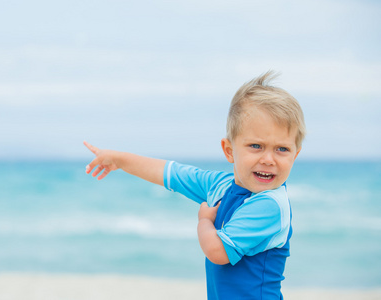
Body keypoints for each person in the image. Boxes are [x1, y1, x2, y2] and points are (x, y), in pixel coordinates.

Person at [84, 71, 306, 299]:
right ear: (229, 151)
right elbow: (171, 174)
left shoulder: (270, 205)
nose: (269, 159)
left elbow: (217, 251)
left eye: (282, 149)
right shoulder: (222, 185)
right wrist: (120, 160)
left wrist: (204, 221)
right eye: (256, 146)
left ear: (295, 155)